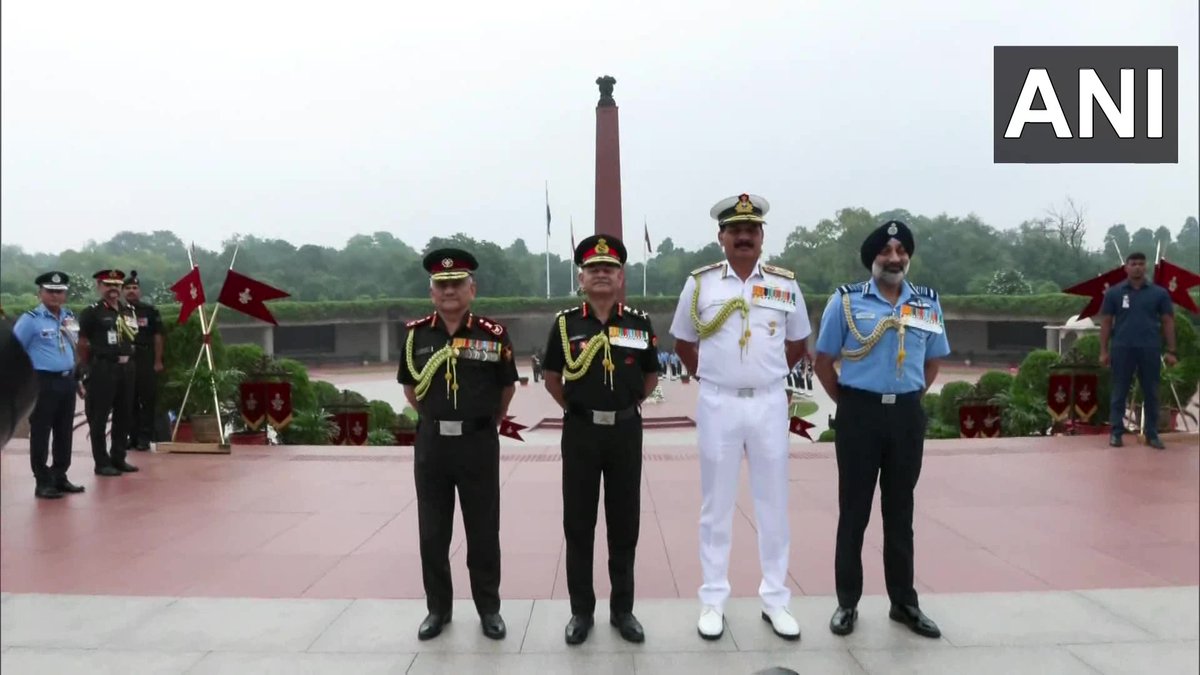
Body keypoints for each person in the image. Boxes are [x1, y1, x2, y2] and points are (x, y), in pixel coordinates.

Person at [669, 193, 810, 641]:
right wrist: (717, 378)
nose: (744, 237)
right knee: (716, 505)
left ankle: (776, 600)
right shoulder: (701, 284)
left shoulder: (785, 285)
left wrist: (763, 377)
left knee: (773, 504)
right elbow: (684, 344)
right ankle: (713, 600)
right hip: (719, 403)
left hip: (768, 403)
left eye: (752, 230)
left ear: (763, 237)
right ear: (722, 237)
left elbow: (797, 344)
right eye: (736, 231)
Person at [812, 219, 948, 640]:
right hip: (859, 415)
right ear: (872, 259)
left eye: (901, 252)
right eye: (886, 253)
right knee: (854, 512)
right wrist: (852, 405)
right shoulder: (847, 301)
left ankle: (903, 602)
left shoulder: (927, 302)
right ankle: (847, 602)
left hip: (906, 416)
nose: (894, 259)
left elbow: (933, 360)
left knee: (900, 512)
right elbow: (823, 361)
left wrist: (907, 399)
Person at [542, 234, 658, 646]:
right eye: (594, 269)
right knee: (579, 522)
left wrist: (624, 405)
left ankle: (623, 610)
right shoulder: (565, 325)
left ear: (621, 276)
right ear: (582, 278)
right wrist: (580, 407)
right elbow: (553, 378)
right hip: (581, 432)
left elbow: (650, 376)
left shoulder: (638, 324)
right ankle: (581, 612)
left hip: (625, 432)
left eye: (609, 268)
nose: (602, 274)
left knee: (624, 522)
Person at [397, 248, 517, 642]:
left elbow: (505, 389)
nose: (449, 291)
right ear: (432, 292)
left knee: (483, 530)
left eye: (457, 284)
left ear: (472, 289)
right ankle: (438, 609)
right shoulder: (417, 336)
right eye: (442, 285)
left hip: (478, 442)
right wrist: (439, 418)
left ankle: (489, 609)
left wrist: (483, 422)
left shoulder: (492, 335)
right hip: (433, 444)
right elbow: (411, 390)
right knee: (433, 531)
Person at [12, 272, 86, 498]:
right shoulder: (31, 320)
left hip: (67, 380)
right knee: (41, 432)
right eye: (50, 291)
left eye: (60, 291)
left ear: (65, 294)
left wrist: (78, 378)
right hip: (42, 382)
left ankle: (59, 475)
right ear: (40, 293)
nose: (55, 295)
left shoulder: (69, 317)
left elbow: (74, 348)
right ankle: (42, 481)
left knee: (64, 432)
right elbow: (15, 351)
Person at [1099, 252, 1177, 449]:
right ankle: (1116, 433)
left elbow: (1168, 321)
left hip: (1149, 348)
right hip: (1122, 348)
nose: (1137, 267)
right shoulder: (1114, 293)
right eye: (1133, 263)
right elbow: (1106, 322)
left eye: (1141, 264)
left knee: (1151, 392)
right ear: (1126, 267)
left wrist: (1172, 350)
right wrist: (1103, 350)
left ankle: (1152, 434)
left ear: (1146, 267)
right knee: (1119, 391)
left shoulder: (1159, 293)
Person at [76, 269, 140, 477]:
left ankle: (118, 457)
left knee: (124, 415)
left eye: (117, 285)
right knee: (99, 417)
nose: (113, 289)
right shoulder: (92, 312)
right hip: (103, 368)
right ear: (99, 286)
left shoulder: (128, 310)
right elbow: (83, 343)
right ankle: (101, 462)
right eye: (108, 284)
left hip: (126, 368)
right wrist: (85, 369)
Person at [123, 271, 164, 451]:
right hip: (125, 359)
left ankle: (144, 438)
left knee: (147, 399)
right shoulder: (118, 311)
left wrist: (157, 360)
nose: (132, 291)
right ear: (123, 291)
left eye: (135, 288)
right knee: (127, 400)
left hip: (145, 358)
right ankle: (131, 437)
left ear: (139, 291)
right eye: (128, 288)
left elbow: (158, 337)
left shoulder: (149, 311)